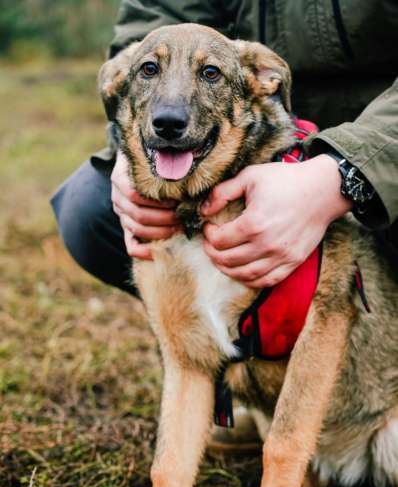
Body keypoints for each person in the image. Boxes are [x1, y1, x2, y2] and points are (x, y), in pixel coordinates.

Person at [51, 1, 398, 445]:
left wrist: (344, 175)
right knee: (91, 208)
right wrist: (130, 148)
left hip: (382, 144)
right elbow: (157, 20)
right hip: (244, 135)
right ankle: (248, 387)